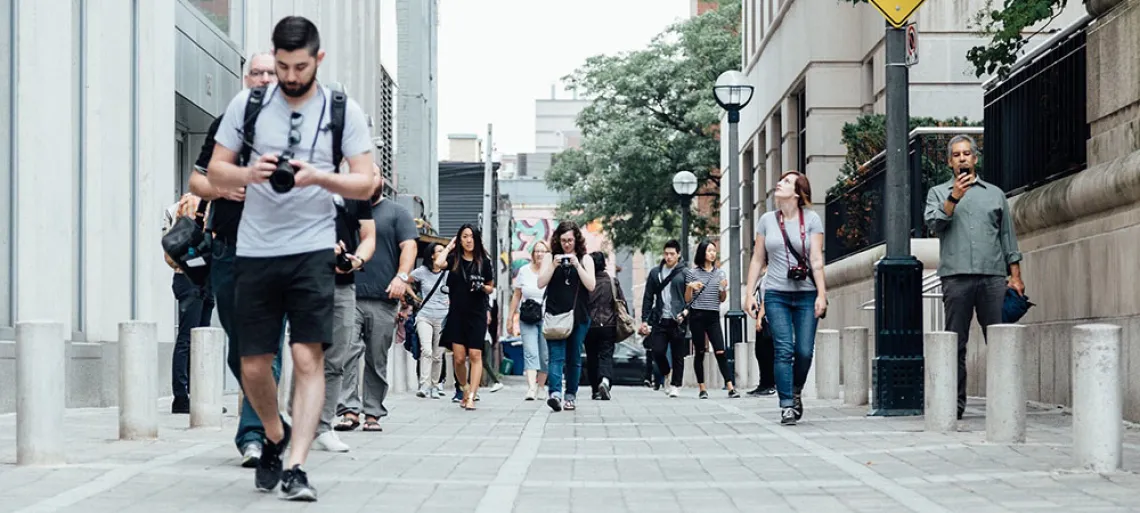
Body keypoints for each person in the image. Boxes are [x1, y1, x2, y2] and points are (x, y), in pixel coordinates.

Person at [207, 16, 377, 500]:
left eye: (299, 66)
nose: (289, 76)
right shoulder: (250, 104)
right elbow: (215, 169)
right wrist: (248, 172)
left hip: (312, 248)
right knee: (254, 364)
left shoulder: (343, 109)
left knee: (308, 356)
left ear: (317, 60)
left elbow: (367, 181)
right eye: (282, 66)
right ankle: (275, 436)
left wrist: (319, 177)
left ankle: (297, 466)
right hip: (256, 249)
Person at [187, 51, 279, 467]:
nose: (262, 79)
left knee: (266, 346)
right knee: (239, 348)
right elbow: (195, 180)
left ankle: (254, 434)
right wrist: (221, 190)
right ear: (246, 79)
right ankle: (266, 413)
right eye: (256, 72)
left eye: (270, 73)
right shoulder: (226, 125)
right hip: (227, 248)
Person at [923, 134, 1023, 420]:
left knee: (1000, 341)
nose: (963, 158)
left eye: (967, 153)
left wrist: (1015, 276)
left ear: (975, 158)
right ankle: (954, 405)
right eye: (956, 155)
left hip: (992, 277)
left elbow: (1008, 237)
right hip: (956, 278)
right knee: (956, 342)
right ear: (949, 161)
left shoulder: (994, 194)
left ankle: (1005, 402)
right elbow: (934, 224)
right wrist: (954, 197)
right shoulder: (938, 193)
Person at [744, 171, 827, 426]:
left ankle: (795, 390)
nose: (780, 182)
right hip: (776, 293)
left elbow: (815, 259)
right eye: (780, 179)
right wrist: (749, 293)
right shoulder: (767, 220)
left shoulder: (812, 219)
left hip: (806, 294)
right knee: (783, 349)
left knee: (803, 351)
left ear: (799, 192)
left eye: (787, 181)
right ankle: (786, 406)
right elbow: (758, 258)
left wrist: (822, 294)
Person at [339, 164, 418, 432]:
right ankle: (349, 410)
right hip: (348, 294)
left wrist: (402, 277)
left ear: (381, 179)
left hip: (384, 298)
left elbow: (409, 246)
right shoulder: (346, 212)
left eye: (371, 174)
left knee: (376, 358)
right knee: (346, 352)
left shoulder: (397, 213)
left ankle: (372, 412)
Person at [312, 184, 376, 453]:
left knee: (337, 357)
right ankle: (299, 423)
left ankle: (323, 427)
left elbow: (369, 235)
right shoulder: (300, 179)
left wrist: (356, 260)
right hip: (306, 279)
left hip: (343, 283)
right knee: (306, 355)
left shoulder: (354, 189)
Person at [162, 193, 215, 414]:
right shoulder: (201, 205)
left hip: (190, 277)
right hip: (194, 277)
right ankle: (182, 397)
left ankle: (193, 396)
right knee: (189, 338)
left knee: (197, 339)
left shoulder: (177, 207)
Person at [537, 221, 596, 412]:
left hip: (578, 316)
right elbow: (540, 283)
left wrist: (577, 265)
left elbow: (591, 285)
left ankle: (570, 395)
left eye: (570, 240)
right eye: (563, 241)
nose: (567, 245)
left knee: (573, 358)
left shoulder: (585, 259)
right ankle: (555, 394)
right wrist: (553, 266)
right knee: (555, 357)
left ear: (576, 240)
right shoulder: (549, 258)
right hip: (555, 315)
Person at [436, 224, 496, 410]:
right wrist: (448, 247)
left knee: (475, 354)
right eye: (464, 237)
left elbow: (490, 286)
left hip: (477, 313)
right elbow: (438, 264)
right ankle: (464, 387)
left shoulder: (483, 262)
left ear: (476, 239)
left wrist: (481, 287)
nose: (469, 240)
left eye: (471, 237)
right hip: (457, 314)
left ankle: (472, 396)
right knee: (459, 358)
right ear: (459, 240)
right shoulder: (454, 259)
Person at [685, 240, 739, 399]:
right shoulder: (692, 273)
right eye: (709, 251)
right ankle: (702, 388)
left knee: (720, 351)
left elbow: (722, 299)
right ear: (702, 253)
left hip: (713, 315)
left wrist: (723, 288)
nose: (712, 254)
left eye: (714, 251)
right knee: (700, 352)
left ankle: (730, 387)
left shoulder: (720, 273)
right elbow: (687, 299)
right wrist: (690, 287)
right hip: (697, 316)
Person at [638, 240, 688, 398]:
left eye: (672, 254)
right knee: (657, 351)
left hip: (678, 319)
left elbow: (692, 297)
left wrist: (686, 313)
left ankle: (676, 385)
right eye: (666, 253)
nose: (668, 257)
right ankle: (667, 372)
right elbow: (648, 297)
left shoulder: (685, 272)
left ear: (678, 254)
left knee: (678, 354)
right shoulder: (655, 273)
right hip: (660, 319)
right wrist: (644, 319)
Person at [508, 241, 550, 400]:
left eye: (543, 251)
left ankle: (541, 386)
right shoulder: (524, 271)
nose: (539, 254)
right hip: (528, 317)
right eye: (537, 251)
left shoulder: (550, 271)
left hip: (546, 317)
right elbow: (517, 295)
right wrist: (510, 318)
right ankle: (531, 388)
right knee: (530, 352)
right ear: (533, 254)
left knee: (545, 355)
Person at [410, 242, 450, 399]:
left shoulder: (448, 273)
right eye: (439, 251)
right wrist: (415, 297)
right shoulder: (422, 271)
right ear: (432, 255)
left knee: (438, 354)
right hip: (424, 316)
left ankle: (435, 385)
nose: (442, 253)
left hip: (442, 317)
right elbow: (406, 279)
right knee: (426, 350)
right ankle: (424, 385)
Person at [584, 251, 625, 400]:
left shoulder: (586, 282)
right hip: (609, 325)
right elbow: (621, 302)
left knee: (592, 357)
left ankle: (595, 389)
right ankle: (605, 381)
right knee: (606, 355)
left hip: (589, 326)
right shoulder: (612, 282)